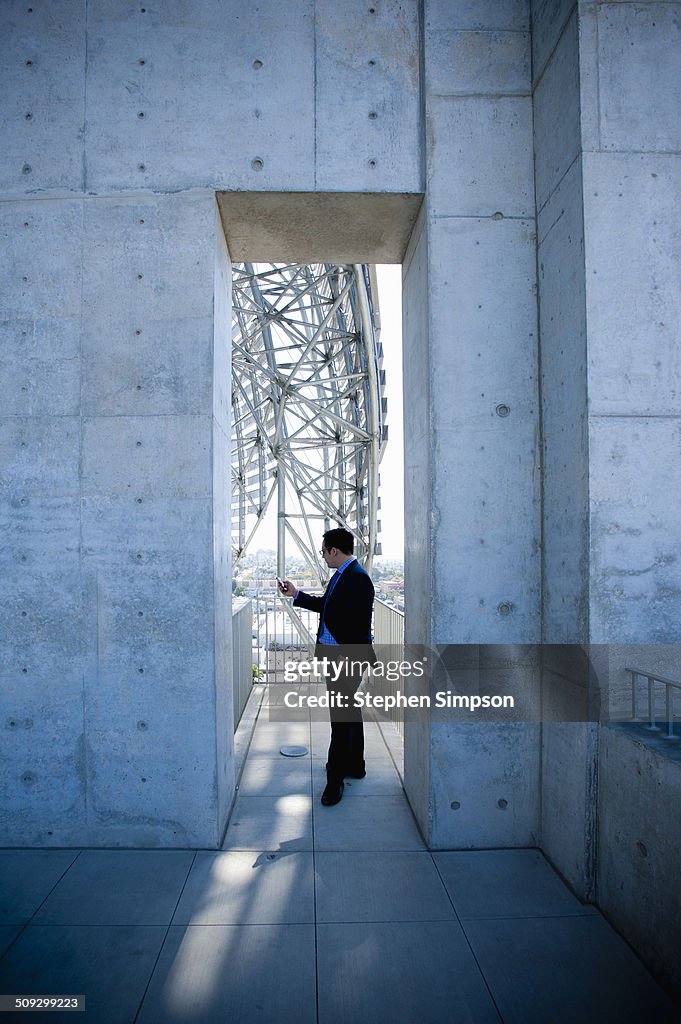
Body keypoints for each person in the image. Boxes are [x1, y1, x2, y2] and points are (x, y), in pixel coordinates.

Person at [278, 528, 375, 806]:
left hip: (345, 660)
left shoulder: (357, 579)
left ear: (334, 550)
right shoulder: (344, 575)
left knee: (340, 720)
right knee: (349, 713)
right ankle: (355, 765)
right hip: (338, 658)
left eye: (323, 551)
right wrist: (296, 595)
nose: (322, 557)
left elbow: (357, 626)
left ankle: (334, 782)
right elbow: (327, 607)